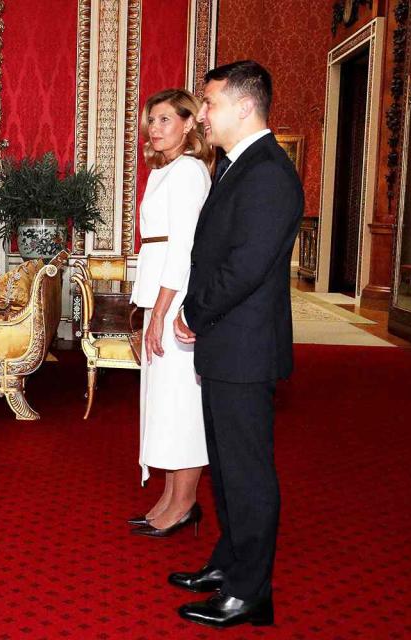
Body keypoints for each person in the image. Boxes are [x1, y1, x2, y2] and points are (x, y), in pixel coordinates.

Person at [170, 60, 303, 628]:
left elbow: (245, 265)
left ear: (245, 107)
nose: (203, 114)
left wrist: (195, 311)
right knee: (224, 467)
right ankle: (229, 562)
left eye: (210, 104)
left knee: (247, 471)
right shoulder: (237, 164)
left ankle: (251, 592)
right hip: (227, 344)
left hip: (243, 345)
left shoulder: (269, 172)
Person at [127, 89, 213, 538]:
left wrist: (161, 312)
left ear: (188, 124)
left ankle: (185, 504)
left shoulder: (189, 172)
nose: (155, 129)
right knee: (165, 401)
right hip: (159, 290)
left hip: (175, 297)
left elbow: (183, 249)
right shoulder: (165, 170)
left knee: (182, 404)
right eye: (152, 122)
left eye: (164, 120)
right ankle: (168, 498)